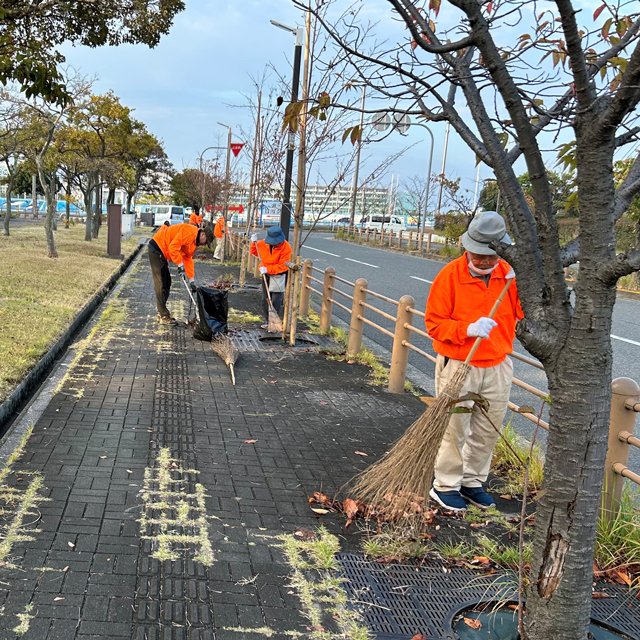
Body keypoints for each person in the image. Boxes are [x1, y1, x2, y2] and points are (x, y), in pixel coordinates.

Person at [424, 210, 523, 513]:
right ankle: (446, 485)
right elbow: (434, 323)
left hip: (497, 363)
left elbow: (523, 312)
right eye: (477, 255)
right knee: (455, 427)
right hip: (458, 363)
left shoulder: (510, 276)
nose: (483, 261)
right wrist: (466, 329)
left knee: (487, 429)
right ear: (467, 248)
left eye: (489, 256)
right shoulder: (450, 276)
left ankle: (472, 481)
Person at [148, 222, 213, 325]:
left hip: (163, 251)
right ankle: (163, 315)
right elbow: (173, 248)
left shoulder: (194, 242)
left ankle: (162, 312)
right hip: (157, 247)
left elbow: (187, 258)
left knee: (167, 282)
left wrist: (191, 280)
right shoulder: (189, 232)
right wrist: (179, 265)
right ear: (203, 235)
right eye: (206, 242)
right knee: (161, 283)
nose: (205, 244)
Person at [250, 226, 292, 328]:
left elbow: (283, 266)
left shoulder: (286, 247)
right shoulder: (263, 243)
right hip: (266, 274)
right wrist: (253, 242)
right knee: (265, 298)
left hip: (279, 275)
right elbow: (254, 252)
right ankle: (268, 321)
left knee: (276, 300)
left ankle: (274, 323)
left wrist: (268, 269)